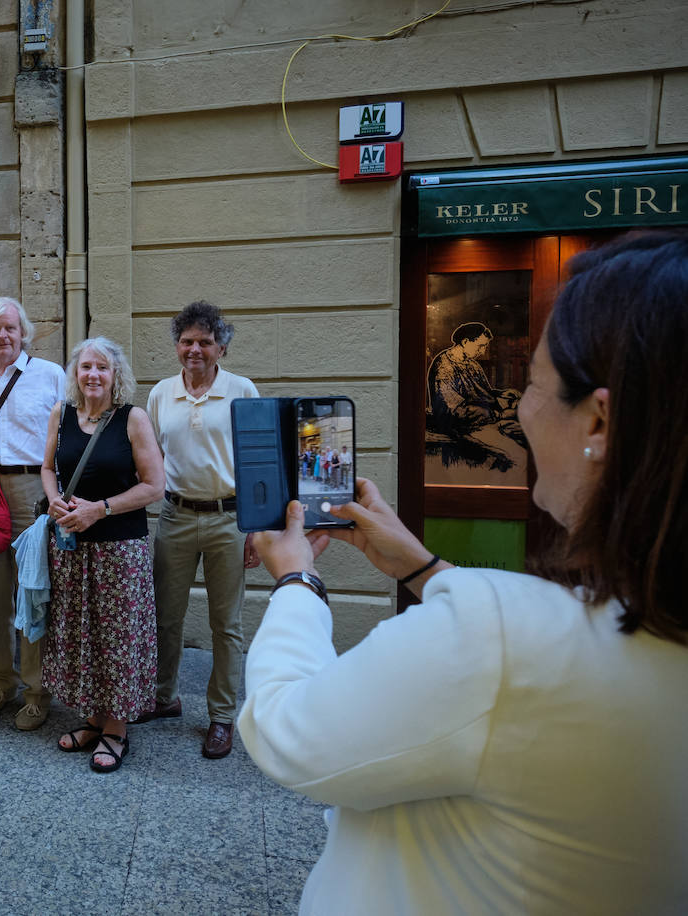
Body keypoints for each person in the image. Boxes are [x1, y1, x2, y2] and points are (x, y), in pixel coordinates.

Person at [242, 231, 688, 913]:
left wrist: (296, 581)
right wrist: (422, 567)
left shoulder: (500, 637)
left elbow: (287, 733)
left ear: (599, 420)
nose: (524, 406)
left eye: (532, 382)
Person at [141, 301, 260, 759]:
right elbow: (150, 460)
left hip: (229, 519)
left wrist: (256, 528)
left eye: (205, 342)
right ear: (177, 346)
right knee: (165, 616)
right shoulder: (160, 395)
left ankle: (221, 717)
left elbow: (257, 461)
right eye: (187, 341)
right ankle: (164, 696)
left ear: (221, 348)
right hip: (175, 516)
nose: (195, 349)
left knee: (225, 624)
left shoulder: (242, 391)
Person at [41, 337, 164, 772]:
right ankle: (93, 719)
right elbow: (47, 467)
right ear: (76, 373)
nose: (93, 374)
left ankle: (116, 729)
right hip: (73, 549)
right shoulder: (61, 414)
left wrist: (101, 509)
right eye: (86, 367)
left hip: (119, 550)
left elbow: (154, 486)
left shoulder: (133, 419)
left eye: (102, 368)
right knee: (82, 634)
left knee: (117, 638)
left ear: (116, 375)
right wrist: (54, 499)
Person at [0, 297, 66, 731]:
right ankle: (0, 682)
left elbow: (69, 436)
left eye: (10, 327)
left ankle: (36, 692)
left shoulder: (50, 375)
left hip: (34, 491)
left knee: (32, 595)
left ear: (23, 332)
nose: (3, 336)